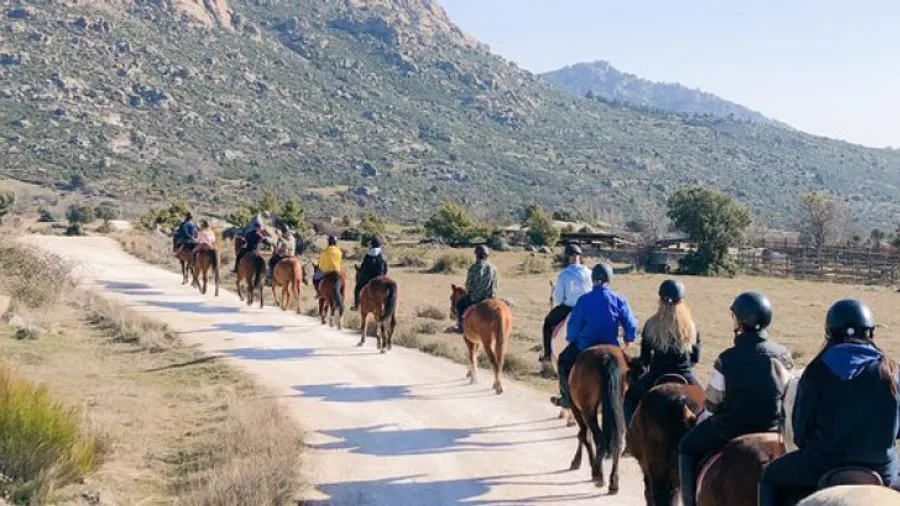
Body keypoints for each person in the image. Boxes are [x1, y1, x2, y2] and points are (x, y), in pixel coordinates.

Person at [758, 299, 900, 506]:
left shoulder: (816, 370)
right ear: (870, 332)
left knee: (770, 476)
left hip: (821, 465)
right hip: (882, 469)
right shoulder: (892, 371)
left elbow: (800, 431)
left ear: (830, 332)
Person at [678, 291, 794, 506]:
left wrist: (703, 418)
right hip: (773, 429)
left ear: (740, 321)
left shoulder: (727, 358)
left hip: (730, 428)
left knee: (686, 447)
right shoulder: (783, 355)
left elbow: (712, 403)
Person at [550, 263, 638, 409]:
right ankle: (632, 403)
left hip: (585, 345)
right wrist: (629, 337)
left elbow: (573, 326)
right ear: (610, 279)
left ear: (592, 279)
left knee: (563, 361)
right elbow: (631, 323)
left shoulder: (584, 300)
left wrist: (572, 339)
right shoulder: (619, 300)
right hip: (611, 346)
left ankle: (566, 398)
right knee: (635, 370)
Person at [623, 279, 700, 426]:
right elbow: (695, 358)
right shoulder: (691, 326)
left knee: (630, 398)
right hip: (685, 375)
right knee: (706, 406)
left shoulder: (651, 324)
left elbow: (645, 360)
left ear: (660, 300)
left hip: (656, 375)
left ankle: (630, 436)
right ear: (681, 301)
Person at [539, 244, 592, 366]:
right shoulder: (589, 272)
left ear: (568, 257)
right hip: (587, 308)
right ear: (580, 256)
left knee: (547, 323)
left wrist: (558, 305)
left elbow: (558, 299)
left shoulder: (564, 275)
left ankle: (547, 354)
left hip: (569, 308)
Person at [452, 245, 499, 333]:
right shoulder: (494, 268)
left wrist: (470, 291)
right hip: (491, 297)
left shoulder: (473, 268)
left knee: (460, 304)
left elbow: (469, 285)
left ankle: (460, 326)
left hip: (476, 297)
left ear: (476, 255)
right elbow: (496, 284)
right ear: (487, 255)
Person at [351, 237, 388, 310]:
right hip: (379, 277)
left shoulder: (368, 255)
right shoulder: (383, 255)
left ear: (372, 245)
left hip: (367, 279)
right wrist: (383, 275)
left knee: (357, 288)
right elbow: (386, 268)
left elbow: (363, 267)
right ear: (380, 245)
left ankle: (356, 305)